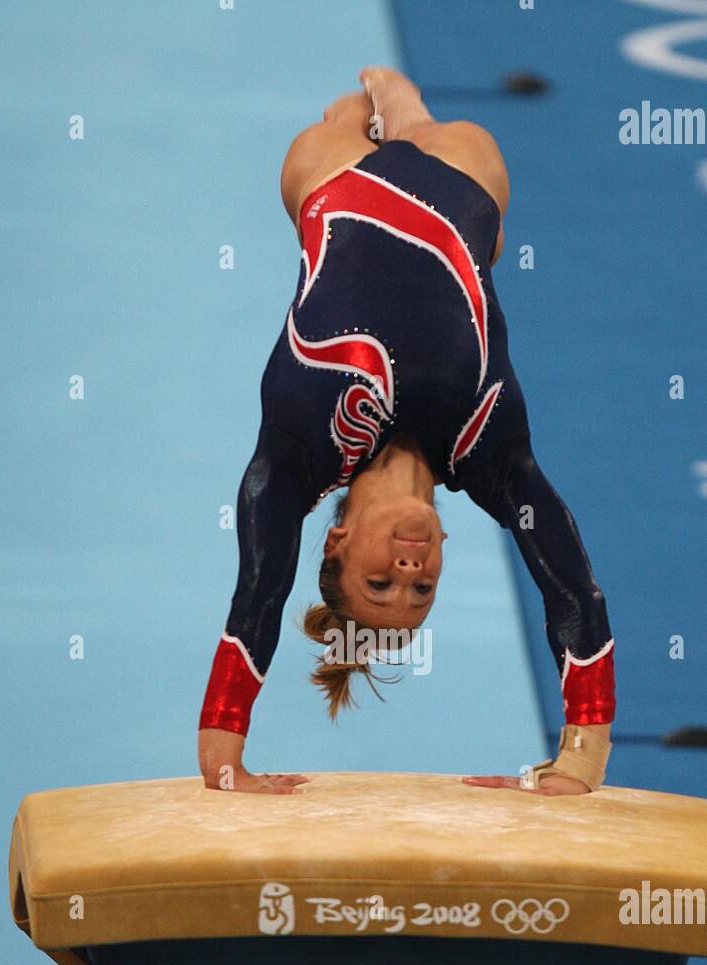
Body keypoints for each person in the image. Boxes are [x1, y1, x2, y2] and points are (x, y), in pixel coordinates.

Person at [198, 67, 615, 796]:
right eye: (419, 590)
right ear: (445, 556)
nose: (409, 569)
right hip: (462, 184)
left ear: (332, 540)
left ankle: (359, 104)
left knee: (338, 122)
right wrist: (580, 761)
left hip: (331, 182)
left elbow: (257, 592)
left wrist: (224, 758)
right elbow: (574, 590)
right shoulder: (487, 455)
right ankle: (404, 107)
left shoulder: (297, 451)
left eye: (379, 580)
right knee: (435, 138)